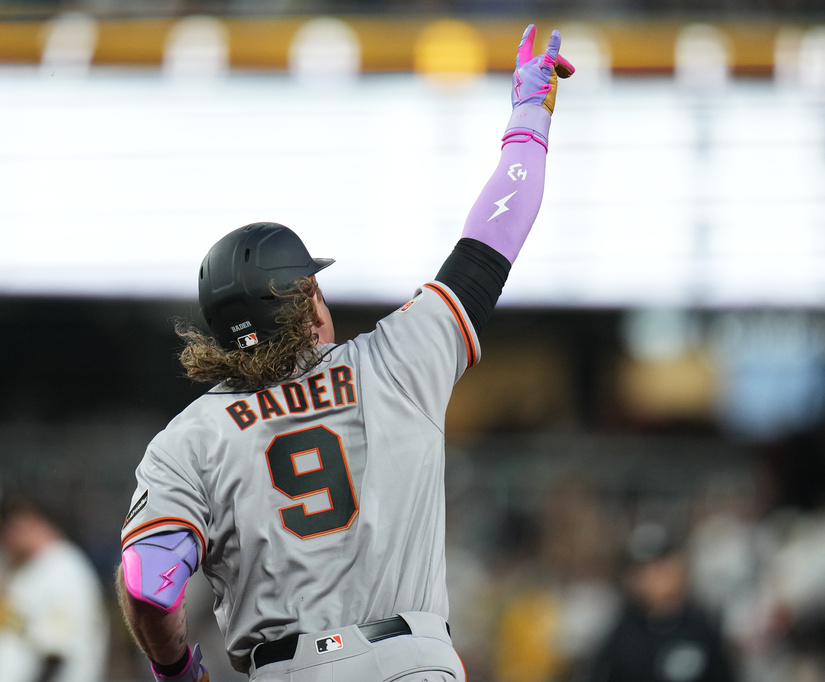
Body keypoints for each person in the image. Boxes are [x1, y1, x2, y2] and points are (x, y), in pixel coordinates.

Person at [115, 23, 574, 682]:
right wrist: (529, 116)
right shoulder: (397, 361)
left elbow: (149, 582)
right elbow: (493, 236)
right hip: (413, 662)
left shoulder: (188, 439)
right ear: (307, 299)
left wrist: (177, 670)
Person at [576, 523, 736, 682]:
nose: (651, 578)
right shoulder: (621, 633)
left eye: (659, 566)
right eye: (641, 570)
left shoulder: (703, 626)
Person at [0, 495, 110, 682]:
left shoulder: (63, 568)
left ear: (31, 522)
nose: (6, 538)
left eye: (10, 528)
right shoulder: (35, 568)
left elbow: (57, 655)